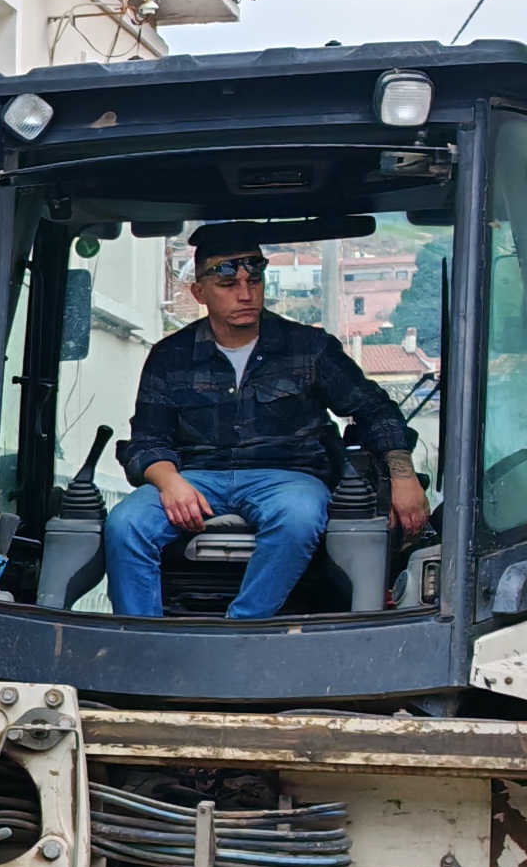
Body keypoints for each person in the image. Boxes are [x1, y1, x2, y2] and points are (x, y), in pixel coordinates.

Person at [106, 226, 427, 618]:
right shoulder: (170, 355)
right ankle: (144, 640)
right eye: (227, 282)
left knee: (299, 515)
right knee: (125, 524)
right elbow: (148, 439)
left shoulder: (309, 348)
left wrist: (403, 476)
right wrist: (169, 482)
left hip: (287, 476)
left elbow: (374, 409)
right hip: (195, 477)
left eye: (253, 279)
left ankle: (240, 628)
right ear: (199, 292)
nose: (245, 293)